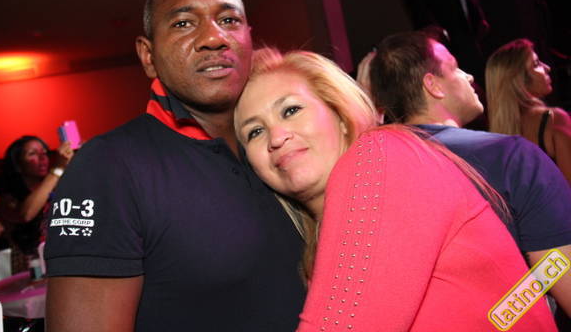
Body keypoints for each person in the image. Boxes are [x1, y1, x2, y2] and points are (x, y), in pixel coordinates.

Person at [44, 0, 305, 332]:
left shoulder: (286, 143)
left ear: (249, 37)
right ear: (148, 56)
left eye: (229, 20)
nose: (213, 38)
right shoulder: (107, 168)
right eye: (183, 23)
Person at [234, 47, 557, 331]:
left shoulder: (379, 156)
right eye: (255, 132)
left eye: (291, 110)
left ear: (341, 115)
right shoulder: (317, 245)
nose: (276, 137)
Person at [367, 31, 571, 317]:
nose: (469, 76)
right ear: (433, 85)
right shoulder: (509, 156)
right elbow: (561, 270)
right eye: (455, 67)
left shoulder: (373, 174)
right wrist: (512, 308)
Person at [486, 38, 571, 183]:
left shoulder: (494, 140)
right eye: (536, 64)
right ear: (519, 79)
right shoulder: (553, 119)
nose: (547, 68)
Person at [0, 136, 73, 274]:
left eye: (44, 152)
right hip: (30, 265)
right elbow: (26, 214)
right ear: (18, 164)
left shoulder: (53, 183)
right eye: (32, 153)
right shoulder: (6, 194)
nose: (42, 157)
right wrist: (57, 170)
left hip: (59, 256)